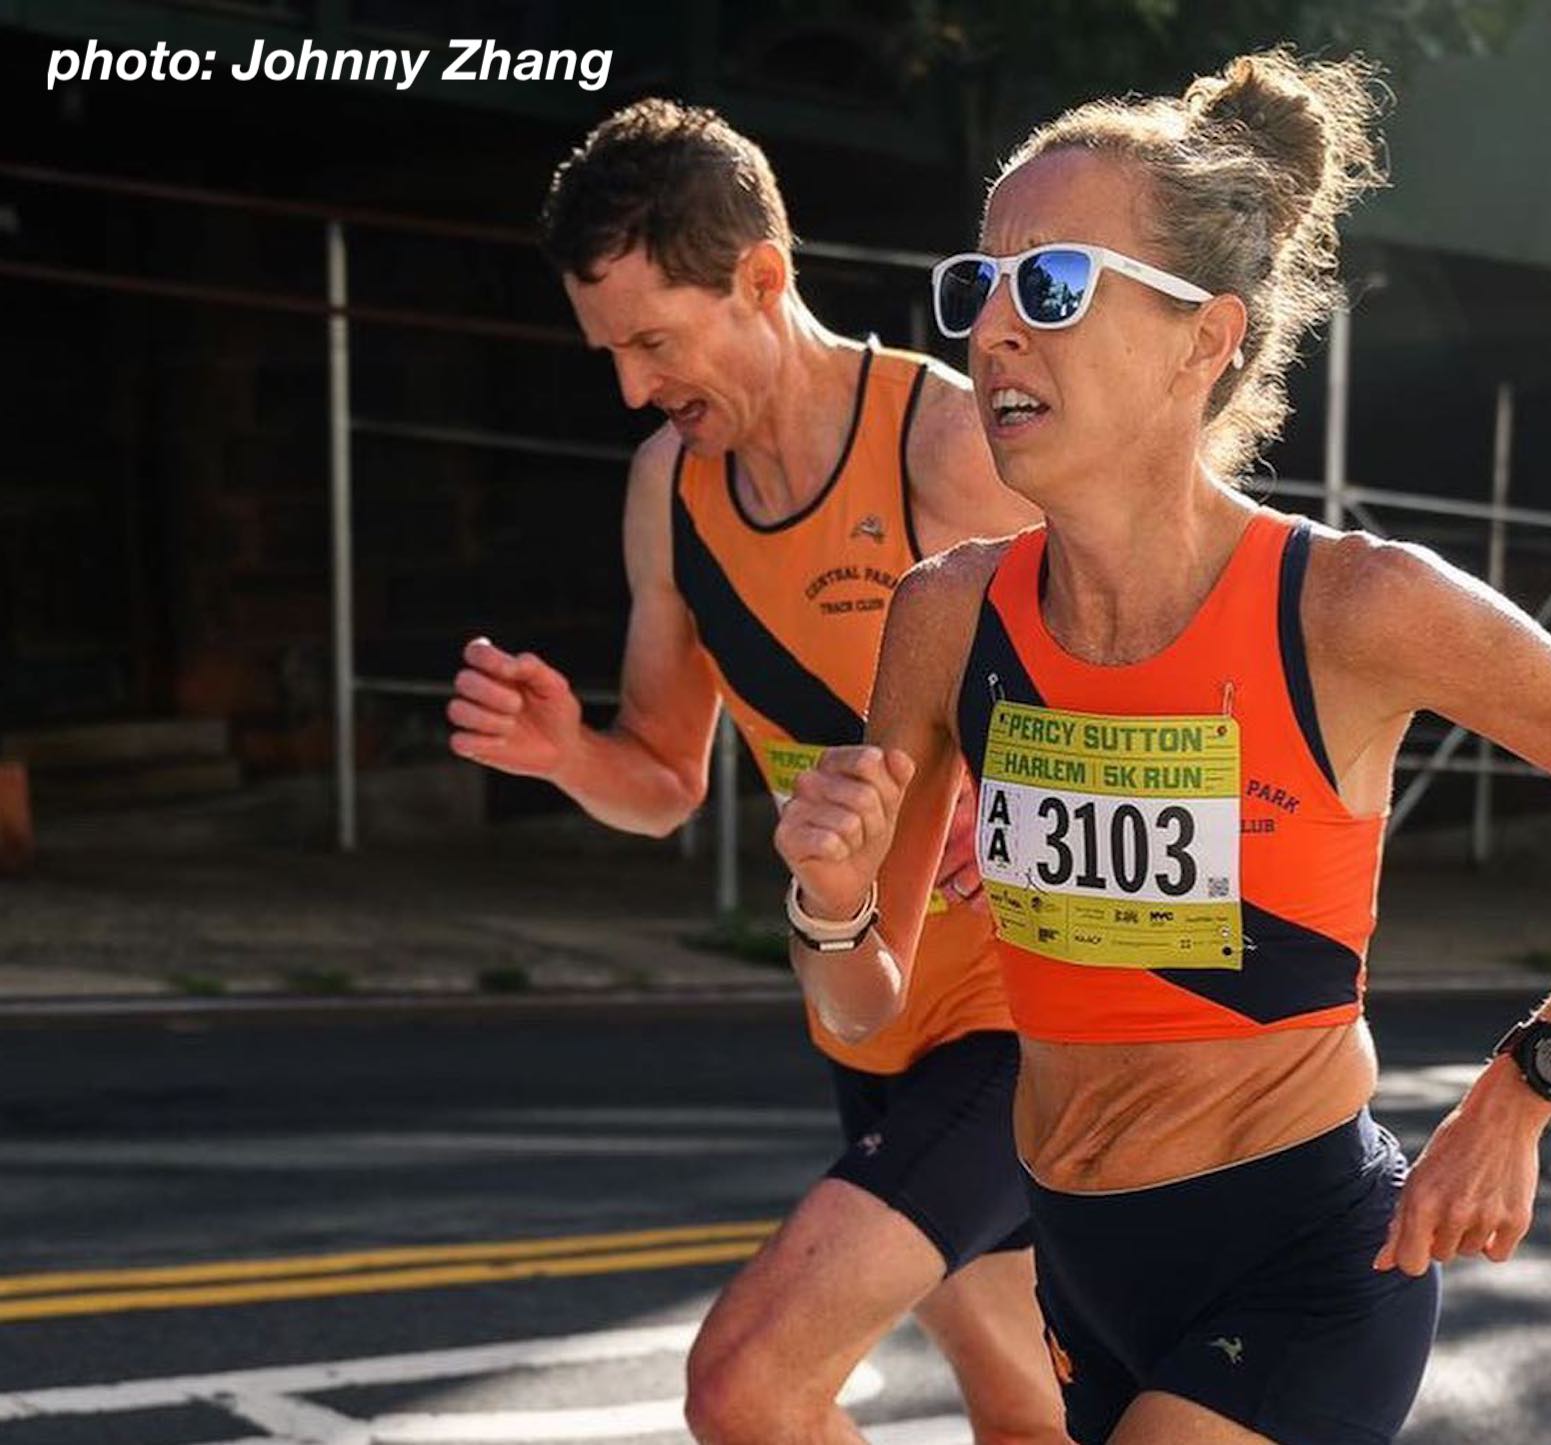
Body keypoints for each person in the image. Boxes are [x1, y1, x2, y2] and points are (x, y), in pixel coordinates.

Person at [775, 49, 1551, 1445]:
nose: (993, 330)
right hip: (1081, 1263)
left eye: (1049, 286)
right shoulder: (949, 616)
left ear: (1205, 339)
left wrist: (1525, 1089)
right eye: (980, 285)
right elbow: (861, 1011)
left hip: (1301, 1258)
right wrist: (827, 901)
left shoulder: (1356, 606)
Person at [446, 99, 1064, 1445]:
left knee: (745, 1385)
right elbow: (664, 776)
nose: (633, 388)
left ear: (762, 278)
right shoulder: (669, 489)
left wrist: (1019, 794)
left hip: (1029, 1022)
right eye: (611, 353)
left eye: (654, 342)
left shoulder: (944, 445)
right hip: (867, 1018)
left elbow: (1149, 682)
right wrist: (567, 753)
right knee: (1029, 1418)